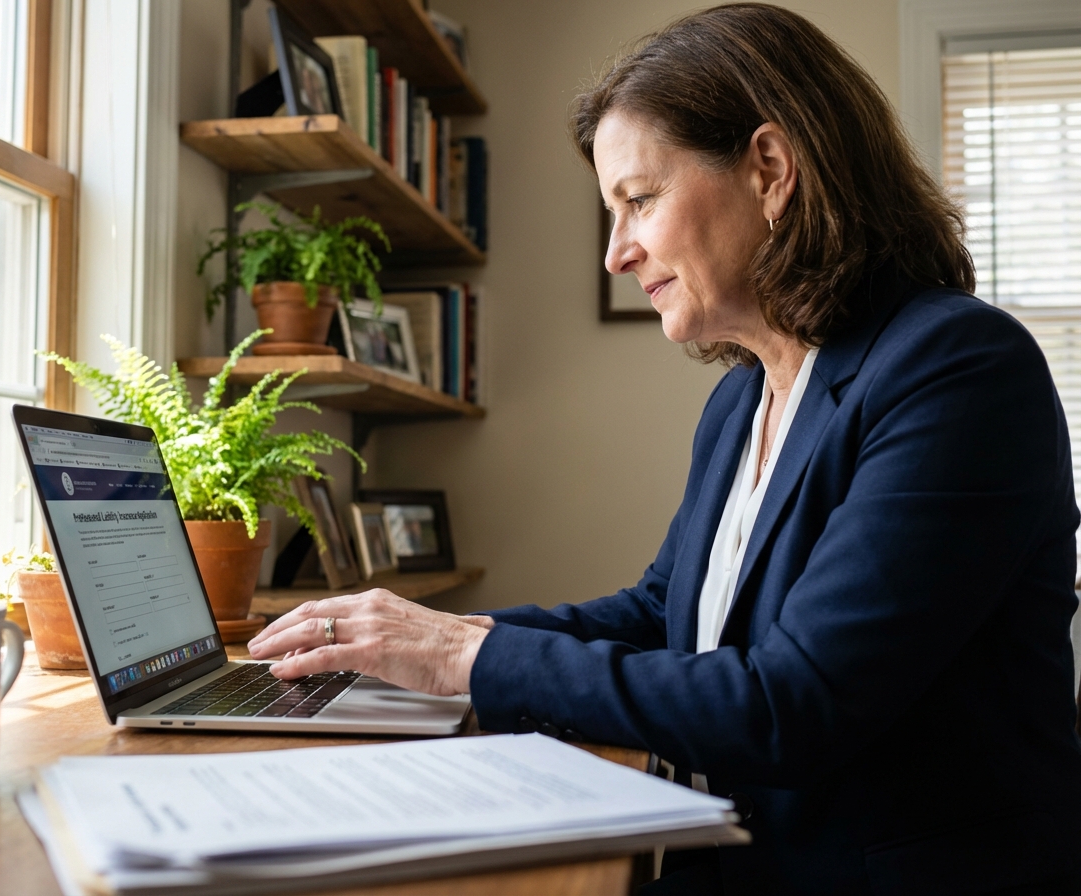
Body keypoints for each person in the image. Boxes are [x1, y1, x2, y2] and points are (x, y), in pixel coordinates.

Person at [249, 5, 1081, 893]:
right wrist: (411, 639)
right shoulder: (741, 401)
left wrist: (463, 656)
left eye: (638, 200)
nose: (616, 252)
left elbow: (791, 704)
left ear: (769, 168)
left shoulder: (957, 369)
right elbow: (662, 615)